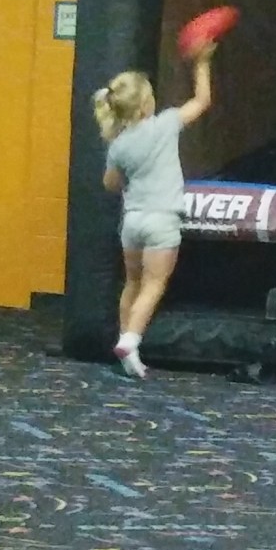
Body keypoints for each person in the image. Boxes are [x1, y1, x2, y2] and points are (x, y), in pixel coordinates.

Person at [93, 42, 215, 379]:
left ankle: (125, 346)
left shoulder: (118, 144)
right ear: (146, 104)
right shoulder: (165, 124)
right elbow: (202, 101)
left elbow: (110, 183)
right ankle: (130, 340)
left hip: (132, 221)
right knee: (154, 284)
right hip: (162, 220)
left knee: (132, 283)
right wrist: (202, 62)